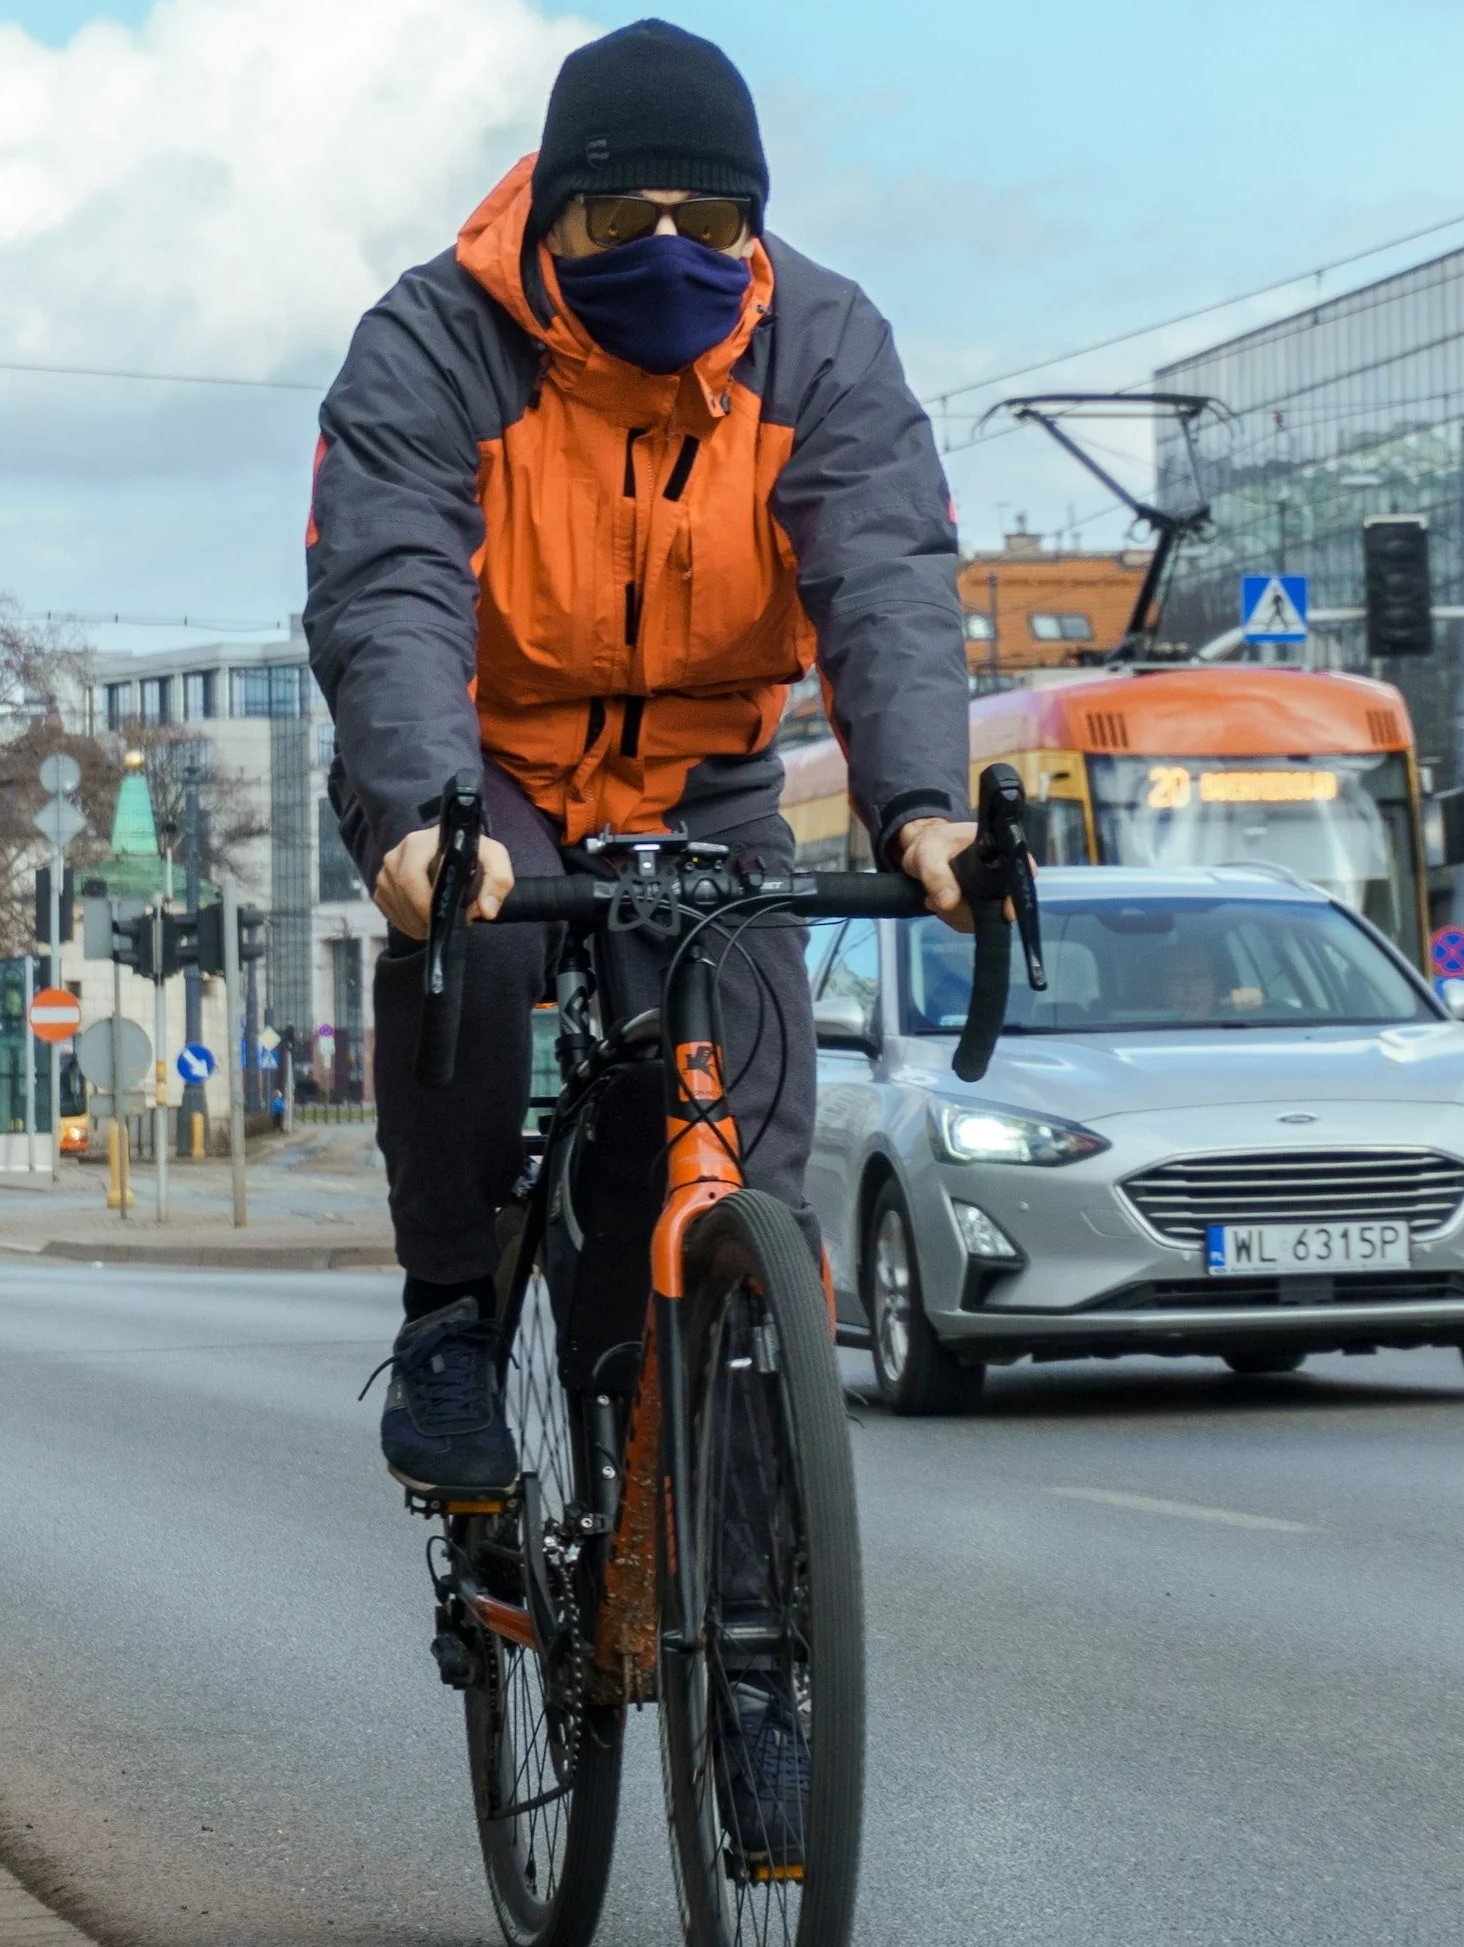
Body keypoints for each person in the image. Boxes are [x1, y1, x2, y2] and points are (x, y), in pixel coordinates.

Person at [305, 19, 977, 1501]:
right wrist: (426, 819)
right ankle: (449, 1323)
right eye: (622, 220)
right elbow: (389, 585)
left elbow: (886, 577)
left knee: (742, 1149)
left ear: (756, 225)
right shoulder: (432, 340)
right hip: (481, 760)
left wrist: (922, 809)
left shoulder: (827, 344)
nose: (671, 248)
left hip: (707, 778)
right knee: (468, 951)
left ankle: (743, 1620)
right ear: (553, 216)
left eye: (713, 221)